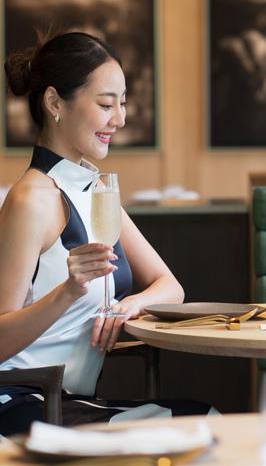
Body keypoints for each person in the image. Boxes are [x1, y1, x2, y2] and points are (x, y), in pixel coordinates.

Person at [0, 31, 209, 435]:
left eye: (123, 103)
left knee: (204, 424)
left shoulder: (96, 190)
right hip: (20, 404)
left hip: (67, 402)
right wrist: (68, 291)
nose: (120, 119)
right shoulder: (31, 200)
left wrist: (130, 306)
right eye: (106, 104)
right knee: (201, 425)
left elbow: (170, 287)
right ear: (55, 103)